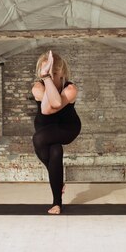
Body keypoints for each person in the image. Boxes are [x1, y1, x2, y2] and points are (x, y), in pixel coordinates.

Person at [31, 50, 81, 215]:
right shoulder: (37, 87)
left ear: (63, 73)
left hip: (66, 127)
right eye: (46, 72)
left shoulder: (71, 89)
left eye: (53, 73)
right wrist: (44, 79)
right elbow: (46, 110)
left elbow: (53, 105)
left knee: (38, 139)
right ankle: (57, 203)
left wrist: (46, 78)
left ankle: (57, 181)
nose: (49, 76)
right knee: (55, 151)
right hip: (45, 127)